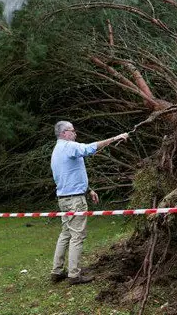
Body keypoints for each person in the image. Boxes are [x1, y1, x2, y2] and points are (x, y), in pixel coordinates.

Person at [49, 120, 129, 285]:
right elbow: (89, 148)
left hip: (64, 199)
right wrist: (115, 138)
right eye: (72, 130)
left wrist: (88, 189)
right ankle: (74, 275)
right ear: (64, 133)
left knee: (65, 234)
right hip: (74, 201)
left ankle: (56, 271)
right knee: (77, 235)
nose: (75, 133)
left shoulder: (57, 150)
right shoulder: (69, 146)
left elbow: (70, 176)